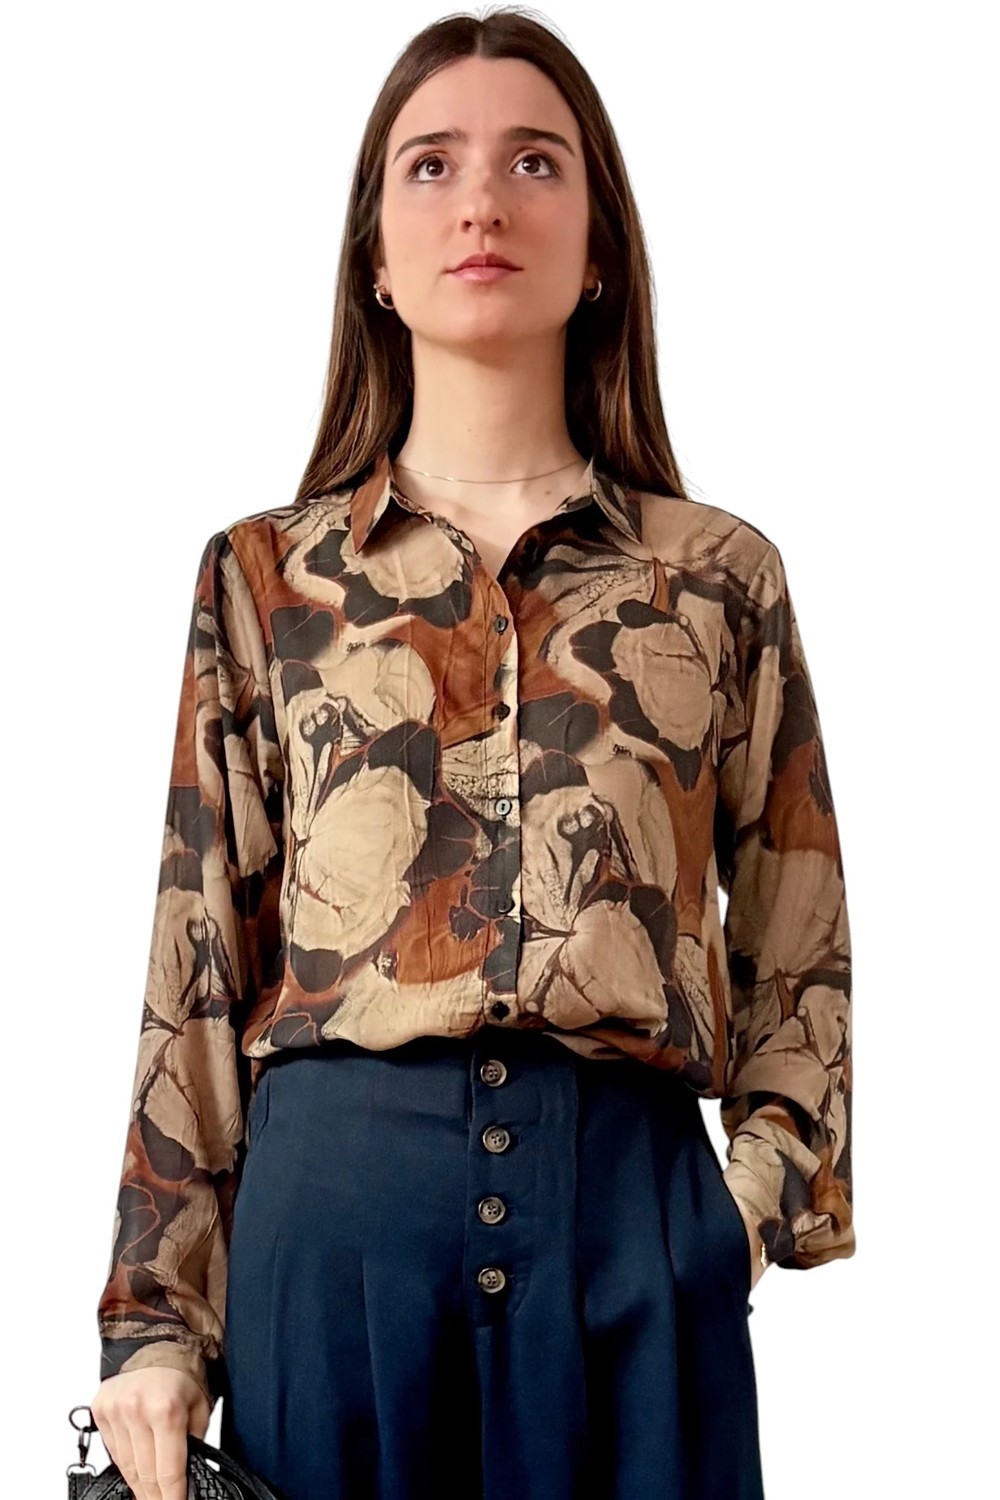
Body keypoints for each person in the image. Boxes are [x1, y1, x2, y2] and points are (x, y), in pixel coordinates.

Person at [90, 9, 854, 1500]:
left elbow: (800, 949)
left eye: (535, 162)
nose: (483, 202)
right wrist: (157, 1324)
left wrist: (733, 1219)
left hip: (633, 1238)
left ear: (601, 244)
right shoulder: (264, 580)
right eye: (430, 165)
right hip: (331, 1244)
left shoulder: (716, 581)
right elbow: (198, 961)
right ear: (375, 256)